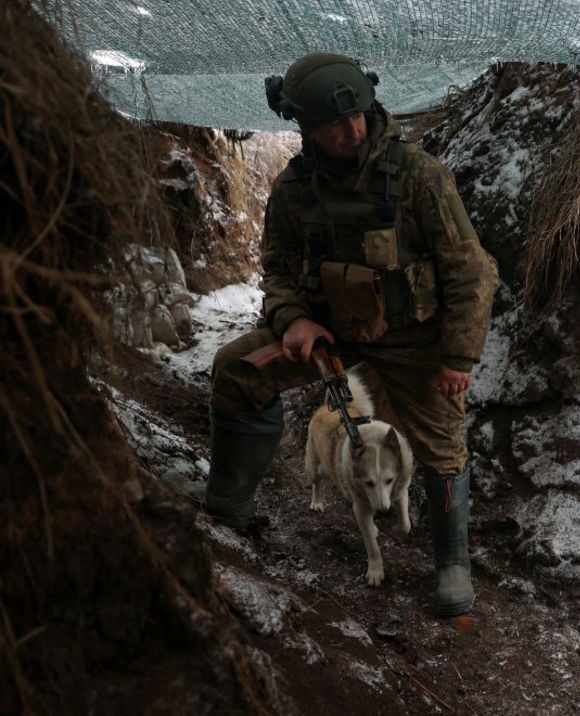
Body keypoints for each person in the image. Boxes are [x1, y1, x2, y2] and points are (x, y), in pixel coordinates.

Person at [200, 52, 497, 617]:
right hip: (330, 333)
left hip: (414, 340)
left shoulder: (420, 176)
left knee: (441, 444)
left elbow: (469, 269)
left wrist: (459, 354)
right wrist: (292, 320)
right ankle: (227, 511)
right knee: (237, 371)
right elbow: (278, 269)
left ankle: (452, 561)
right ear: (303, 125)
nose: (352, 129)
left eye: (359, 114)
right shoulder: (295, 189)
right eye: (334, 123)